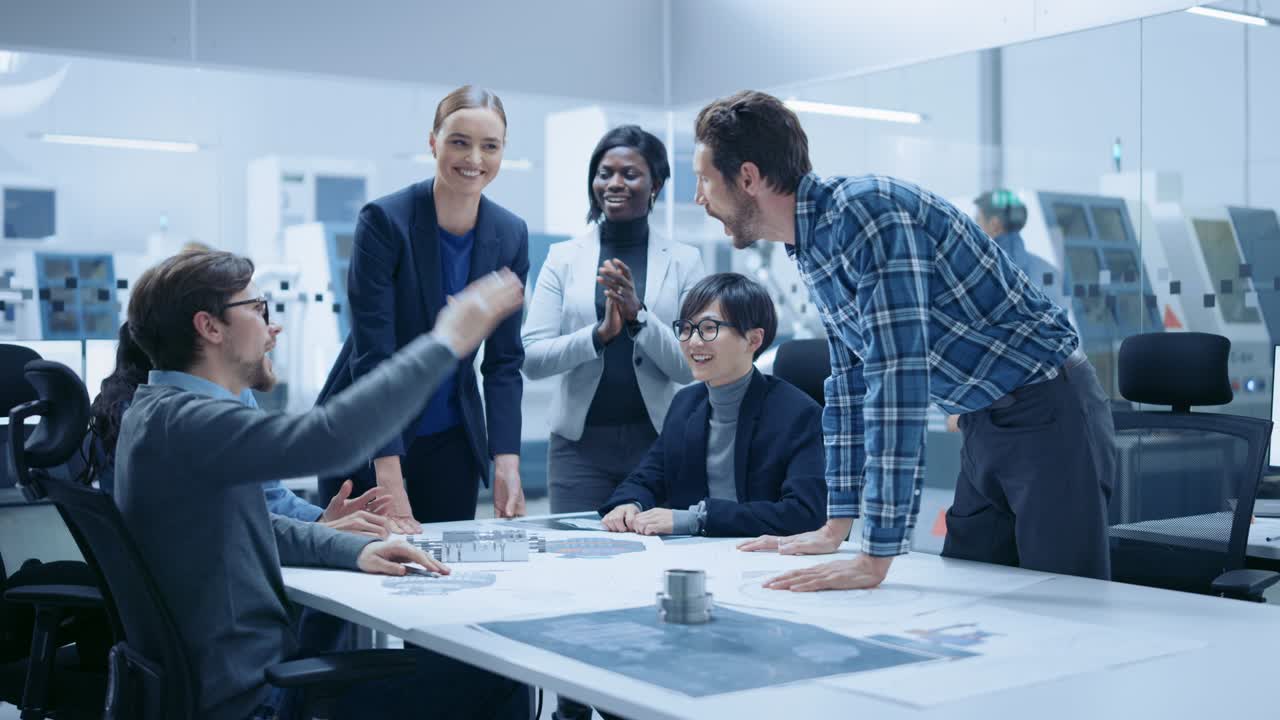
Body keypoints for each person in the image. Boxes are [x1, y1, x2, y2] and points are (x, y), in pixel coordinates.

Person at [691, 91, 1115, 589]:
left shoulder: (864, 215)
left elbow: (899, 382)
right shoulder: (809, 244)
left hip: (1049, 412)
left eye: (704, 179)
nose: (700, 197)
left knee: (1071, 604)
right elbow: (850, 383)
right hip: (985, 420)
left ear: (747, 177)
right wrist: (837, 524)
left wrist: (875, 557)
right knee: (971, 592)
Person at [115, 250, 530, 719]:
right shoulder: (187, 421)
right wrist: (447, 340)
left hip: (235, 684)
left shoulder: (153, 413)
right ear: (209, 327)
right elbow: (328, 437)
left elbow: (256, 523)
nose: (272, 325)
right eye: (257, 308)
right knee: (499, 675)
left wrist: (348, 548)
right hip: (256, 700)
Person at [318, 85, 530, 531]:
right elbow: (374, 354)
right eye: (459, 141)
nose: (474, 158)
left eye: (489, 146)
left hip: (451, 442)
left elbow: (505, 360)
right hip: (369, 437)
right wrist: (388, 474)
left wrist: (506, 458)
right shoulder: (385, 222)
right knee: (364, 577)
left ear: (502, 151)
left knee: (446, 581)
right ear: (432, 141)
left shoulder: (510, 234)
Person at [522, 125, 705, 518]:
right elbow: (532, 359)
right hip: (578, 451)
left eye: (630, 174)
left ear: (655, 184)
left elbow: (690, 367)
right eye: (605, 173)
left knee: (651, 560)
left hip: (658, 446)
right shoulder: (563, 258)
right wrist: (598, 336)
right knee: (578, 563)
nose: (614, 183)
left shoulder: (685, 261)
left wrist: (639, 316)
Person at [87, 322, 393, 538]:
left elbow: (266, 494)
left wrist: (320, 520)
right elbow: (224, 529)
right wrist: (321, 532)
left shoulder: (226, 396)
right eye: (254, 311)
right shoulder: (156, 420)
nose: (271, 332)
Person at [598, 273, 825, 537]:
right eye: (686, 328)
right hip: (699, 557)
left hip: (770, 561)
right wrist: (629, 503)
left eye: (708, 328)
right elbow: (648, 477)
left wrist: (698, 519)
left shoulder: (798, 414)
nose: (693, 342)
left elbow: (806, 513)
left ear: (753, 340)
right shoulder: (685, 404)